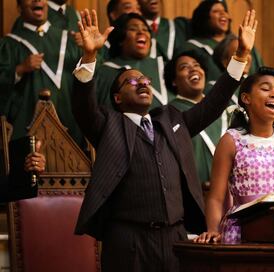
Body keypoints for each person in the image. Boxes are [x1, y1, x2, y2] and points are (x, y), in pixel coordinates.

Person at [72, 8, 257, 271]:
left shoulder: (172, 122)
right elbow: (82, 107)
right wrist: (90, 56)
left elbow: (214, 103)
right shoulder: (108, 124)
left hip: (175, 239)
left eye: (146, 79)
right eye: (132, 81)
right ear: (117, 98)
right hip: (128, 241)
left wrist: (240, 56)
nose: (143, 83)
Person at [194, 66, 274, 244]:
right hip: (244, 229)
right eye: (266, 88)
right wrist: (213, 230)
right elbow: (216, 197)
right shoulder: (231, 140)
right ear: (246, 98)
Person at [0, 0, 84, 146]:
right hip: (26, 126)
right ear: (19, 7)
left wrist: (89, 52)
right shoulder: (9, 44)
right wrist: (19, 70)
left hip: (69, 126)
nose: (37, 0)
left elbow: (91, 81)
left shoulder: (70, 40)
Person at [165, 50, 227, 186]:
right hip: (195, 195)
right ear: (174, 81)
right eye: (184, 67)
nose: (193, 69)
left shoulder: (226, 110)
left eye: (197, 65)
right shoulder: (169, 114)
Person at [95, 13, 169, 110]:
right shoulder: (105, 72)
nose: (141, 32)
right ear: (120, 39)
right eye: (133, 29)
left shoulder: (165, 67)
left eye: (145, 29)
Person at [185, 0, 263, 83]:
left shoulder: (243, 43)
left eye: (225, 11)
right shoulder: (191, 47)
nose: (223, 14)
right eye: (216, 11)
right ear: (204, 17)